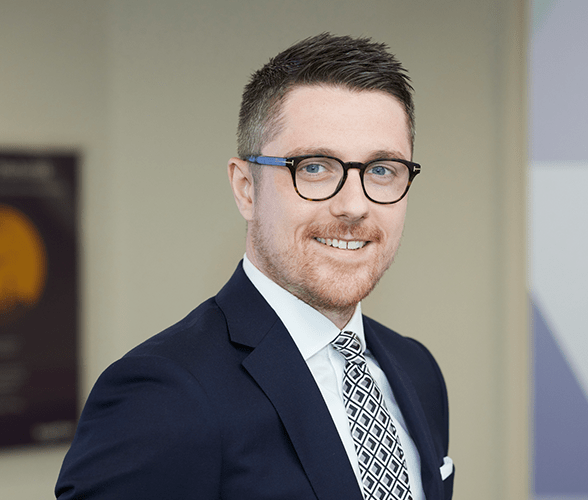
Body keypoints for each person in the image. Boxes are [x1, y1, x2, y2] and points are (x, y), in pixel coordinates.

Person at [55, 33, 453, 500]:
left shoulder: (416, 369)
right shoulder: (162, 396)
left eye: (382, 170)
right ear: (246, 188)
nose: (353, 205)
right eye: (315, 167)